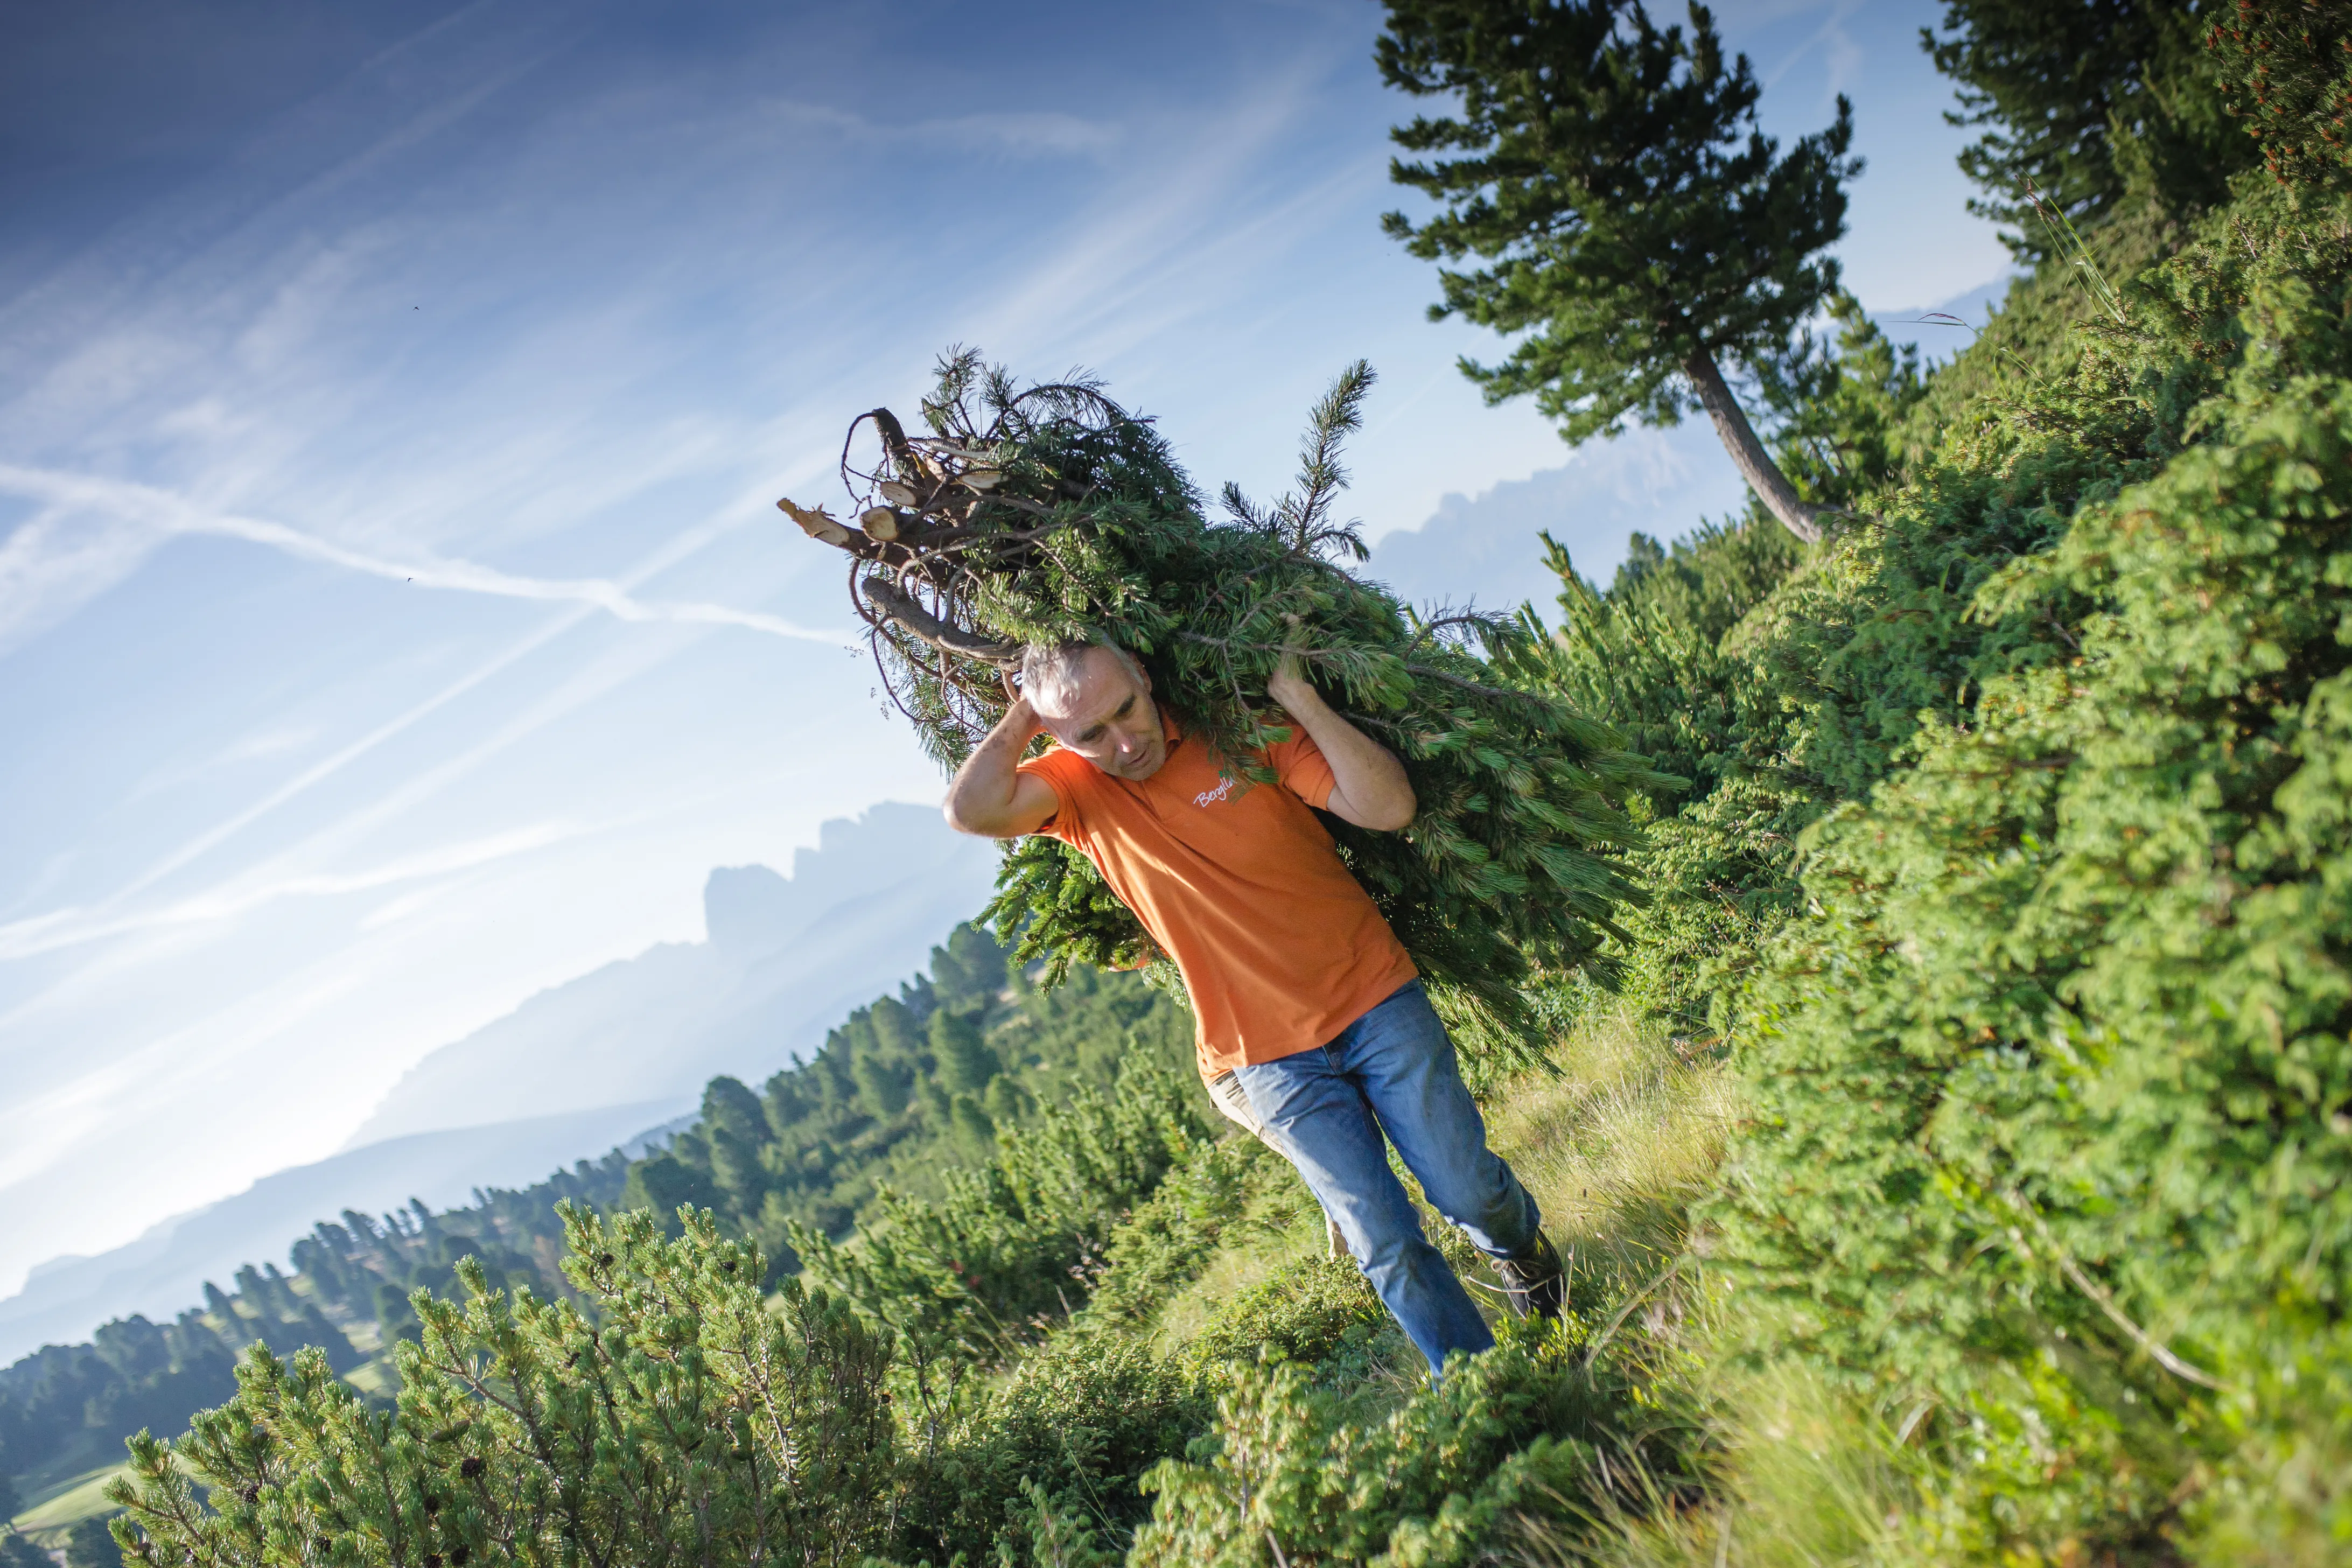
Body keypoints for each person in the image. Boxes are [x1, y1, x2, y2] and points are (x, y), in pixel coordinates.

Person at [942, 638, 1565, 1378]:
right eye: (1091, 735)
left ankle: (1522, 1255)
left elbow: (1389, 807)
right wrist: (1029, 711)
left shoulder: (1234, 733)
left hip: (1372, 997)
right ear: (1060, 738)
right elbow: (969, 809)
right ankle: (1493, 1390)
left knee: (1468, 1190)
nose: (1123, 742)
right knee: (1384, 1241)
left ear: (1146, 677)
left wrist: (1299, 700)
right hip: (1263, 1057)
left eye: (1126, 710)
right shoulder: (1074, 789)